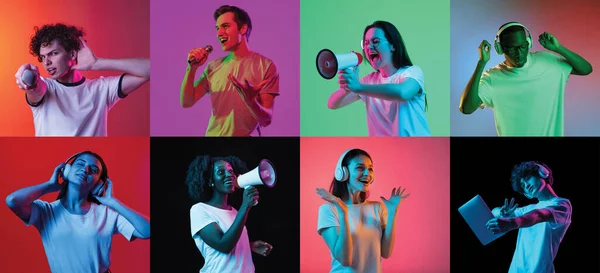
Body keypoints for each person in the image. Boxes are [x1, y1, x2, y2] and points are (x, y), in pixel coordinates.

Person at [5, 151, 151, 273]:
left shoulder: (106, 214)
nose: (85, 170)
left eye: (93, 170)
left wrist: (112, 202)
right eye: (80, 164)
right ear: (66, 170)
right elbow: (13, 201)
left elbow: (148, 230)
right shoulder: (46, 211)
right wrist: (50, 185)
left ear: (99, 183)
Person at [14, 23, 150, 137]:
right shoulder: (45, 87)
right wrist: (27, 77)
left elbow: (150, 70)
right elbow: (34, 89)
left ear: (72, 54)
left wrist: (97, 63)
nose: (47, 62)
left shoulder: (102, 89)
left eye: (53, 53)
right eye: (43, 57)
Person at [458, 22, 593, 136]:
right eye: (512, 49)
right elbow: (466, 108)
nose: (519, 53)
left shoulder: (548, 61)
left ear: (528, 43)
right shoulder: (492, 78)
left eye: (523, 46)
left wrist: (558, 48)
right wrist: (481, 62)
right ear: (500, 49)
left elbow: (586, 69)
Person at [181, 5, 280, 136]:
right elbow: (187, 102)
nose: (219, 33)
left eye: (225, 26)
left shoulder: (266, 65)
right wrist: (191, 69)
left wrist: (251, 101)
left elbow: (266, 120)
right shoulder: (213, 67)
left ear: (243, 28)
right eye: (217, 28)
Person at [327, 21, 431, 136]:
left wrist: (358, 86)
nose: (369, 47)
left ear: (393, 45)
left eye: (375, 41)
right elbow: (332, 104)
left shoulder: (412, 72)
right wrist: (347, 88)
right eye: (365, 43)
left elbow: (403, 93)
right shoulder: (368, 82)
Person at [316, 148, 410, 273]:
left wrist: (393, 212)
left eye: (370, 169)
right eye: (360, 168)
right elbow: (345, 260)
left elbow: (386, 253)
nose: (367, 173)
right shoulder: (328, 210)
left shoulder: (378, 208)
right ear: (343, 172)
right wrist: (343, 213)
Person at [187, 155, 273, 273]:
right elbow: (223, 245)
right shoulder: (199, 210)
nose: (229, 175)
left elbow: (231, 240)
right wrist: (245, 206)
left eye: (231, 171)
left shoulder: (234, 212)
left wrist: (249, 246)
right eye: (221, 172)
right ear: (210, 180)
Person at [486, 161, 572, 273]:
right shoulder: (528, 209)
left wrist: (512, 223)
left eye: (527, 178)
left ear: (543, 174)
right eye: (522, 185)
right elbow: (494, 212)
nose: (526, 185)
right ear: (526, 194)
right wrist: (502, 212)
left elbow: (538, 215)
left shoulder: (562, 204)